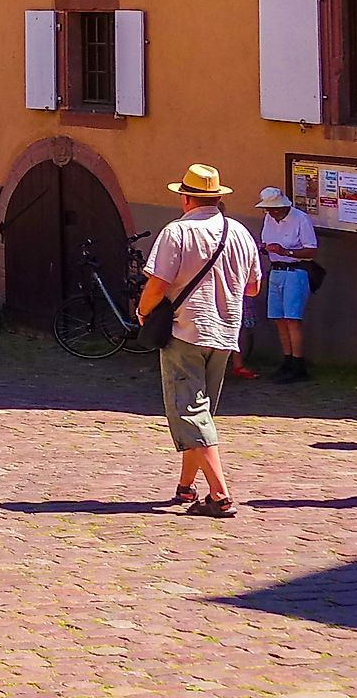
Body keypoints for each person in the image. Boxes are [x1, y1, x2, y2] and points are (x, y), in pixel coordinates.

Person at [138, 164, 263, 517]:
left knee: (190, 412)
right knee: (201, 410)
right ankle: (186, 486)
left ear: (186, 197)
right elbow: (253, 287)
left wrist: (144, 312)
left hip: (186, 329)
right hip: (225, 332)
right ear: (218, 198)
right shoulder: (239, 232)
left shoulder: (177, 232)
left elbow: (158, 283)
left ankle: (220, 495)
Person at [253, 185, 319, 382]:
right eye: (267, 209)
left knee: (292, 319)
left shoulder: (300, 219)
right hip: (276, 270)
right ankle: (287, 360)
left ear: (283, 207)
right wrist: (265, 249)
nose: (270, 213)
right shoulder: (269, 219)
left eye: (273, 209)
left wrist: (286, 252)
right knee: (278, 319)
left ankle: (298, 364)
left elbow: (311, 251)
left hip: (295, 270)